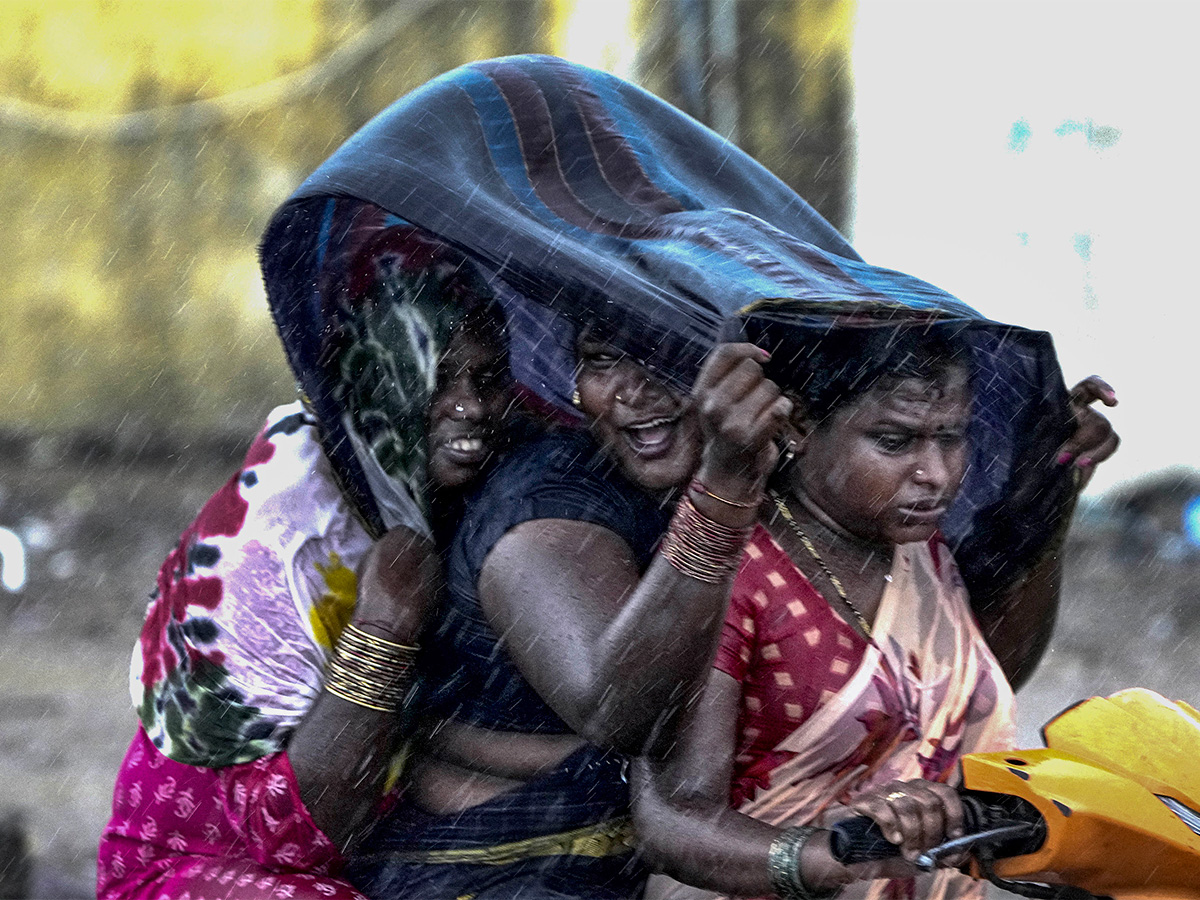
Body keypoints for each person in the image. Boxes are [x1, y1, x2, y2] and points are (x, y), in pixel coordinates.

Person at [631, 308, 1119, 900]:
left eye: (952, 436)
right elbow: (676, 821)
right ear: (800, 425)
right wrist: (832, 851)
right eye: (895, 441)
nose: (935, 474)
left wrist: (1054, 490)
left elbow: (977, 686)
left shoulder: (918, 549)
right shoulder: (731, 575)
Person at [96, 211, 515, 900]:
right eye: (436, 379)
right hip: (199, 869)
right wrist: (383, 626)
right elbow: (305, 834)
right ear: (376, 381)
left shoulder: (410, 484)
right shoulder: (278, 544)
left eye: (488, 378)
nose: (471, 406)